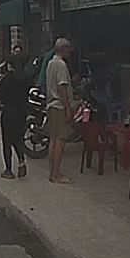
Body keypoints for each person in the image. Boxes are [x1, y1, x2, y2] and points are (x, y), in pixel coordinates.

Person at [45, 37, 76, 184]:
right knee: (61, 140)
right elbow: (62, 88)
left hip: (51, 104)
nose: (70, 53)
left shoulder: (51, 63)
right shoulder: (61, 65)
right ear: (64, 49)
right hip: (59, 106)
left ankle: (53, 172)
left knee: (53, 139)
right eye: (68, 49)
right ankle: (56, 174)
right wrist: (68, 108)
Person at [0, 54, 31, 178]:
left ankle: (8, 170)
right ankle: (21, 161)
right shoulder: (25, 79)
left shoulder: (7, 79)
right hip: (22, 112)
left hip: (9, 112)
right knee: (18, 138)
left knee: (7, 141)